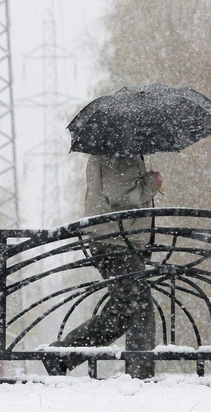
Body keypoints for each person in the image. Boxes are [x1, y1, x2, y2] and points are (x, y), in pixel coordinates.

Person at [44, 155, 162, 379]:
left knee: (137, 307)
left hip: (113, 239)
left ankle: (140, 372)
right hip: (117, 240)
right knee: (128, 308)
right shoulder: (121, 151)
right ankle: (64, 353)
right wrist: (151, 185)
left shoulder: (109, 149)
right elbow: (120, 193)